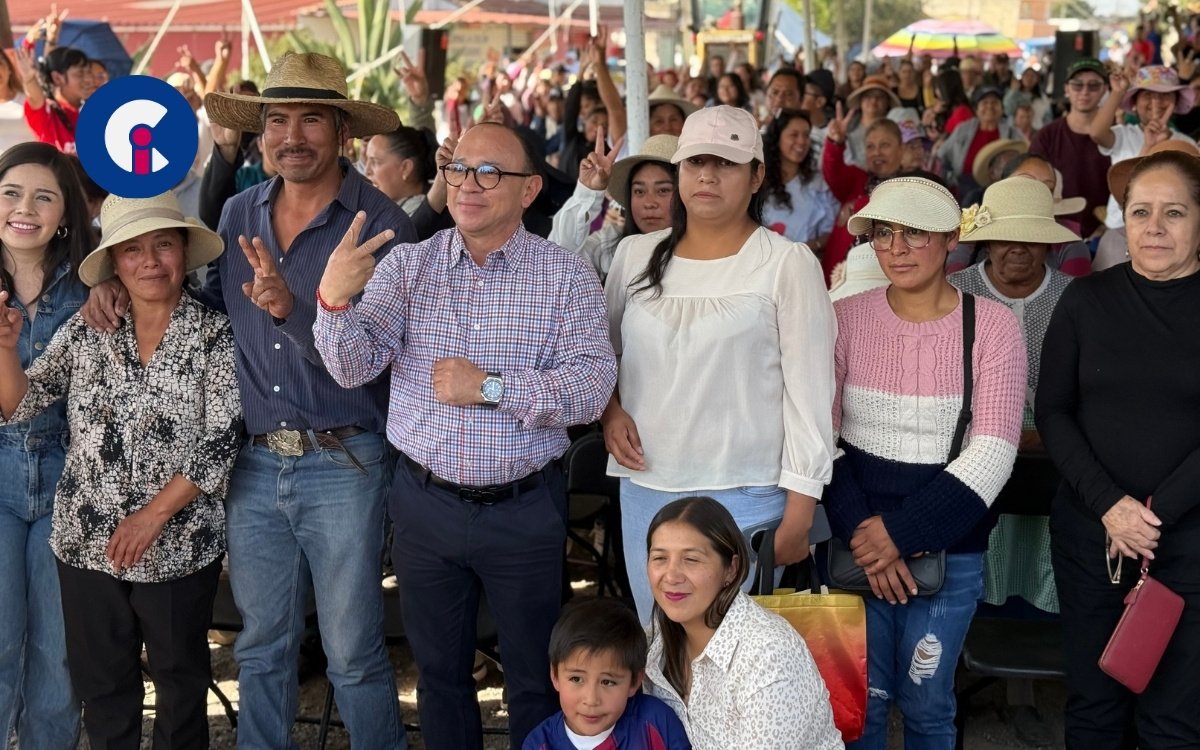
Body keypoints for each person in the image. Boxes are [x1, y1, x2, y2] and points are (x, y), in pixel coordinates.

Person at [75, 52, 417, 748]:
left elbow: (385, 363)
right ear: (261, 133)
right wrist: (111, 281)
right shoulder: (237, 213)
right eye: (278, 120)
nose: (292, 135)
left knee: (352, 655)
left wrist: (297, 309)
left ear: (343, 131)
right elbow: (202, 309)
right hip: (255, 466)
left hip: (345, 461)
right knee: (260, 648)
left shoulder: (382, 226)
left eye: (311, 119)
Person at [312, 120, 617, 748]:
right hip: (426, 506)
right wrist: (334, 302)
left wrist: (493, 387)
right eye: (458, 169)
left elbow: (590, 388)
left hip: (525, 507)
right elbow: (352, 367)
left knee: (536, 678)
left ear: (530, 189)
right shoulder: (410, 267)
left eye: (489, 172)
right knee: (441, 676)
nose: (468, 184)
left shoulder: (565, 278)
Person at [0, 191, 242, 750]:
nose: (150, 261)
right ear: (114, 264)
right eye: (132, 250)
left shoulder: (213, 335)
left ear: (185, 253)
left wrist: (150, 518)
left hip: (180, 546)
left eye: (164, 245)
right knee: (105, 690)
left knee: (182, 687)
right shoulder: (89, 331)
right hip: (86, 544)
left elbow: (220, 440)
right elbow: (21, 403)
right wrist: (6, 350)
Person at [603, 106, 835, 622]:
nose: (707, 176)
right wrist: (610, 411)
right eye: (695, 162)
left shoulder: (786, 263)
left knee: (734, 654)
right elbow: (600, 357)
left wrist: (801, 507)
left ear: (756, 176)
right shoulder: (635, 256)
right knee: (657, 642)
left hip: (746, 492)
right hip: (645, 486)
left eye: (725, 164)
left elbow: (810, 394)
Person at [823, 176, 1026, 748]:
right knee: (858, 702)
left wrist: (898, 533)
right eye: (884, 234)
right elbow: (823, 433)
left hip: (949, 548)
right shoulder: (845, 317)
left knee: (929, 703)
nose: (897, 248)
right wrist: (867, 532)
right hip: (853, 542)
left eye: (915, 233)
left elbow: (993, 451)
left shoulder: (992, 327)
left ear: (951, 237)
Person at [1037, 148, 1200, 748]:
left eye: (1175, 213)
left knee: (1175, 721)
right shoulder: (1085, 300)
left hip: (1188, 547)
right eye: (1140, 211)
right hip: (1092, 540)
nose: (1155, 227)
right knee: (1095, 711)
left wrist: (1151, 518)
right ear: (1122, 219)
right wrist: (1111, 506)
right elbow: (1052, 411)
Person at [0, 142, 93, 750]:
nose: (23, 208)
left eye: (42, 196)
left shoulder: (94, 283)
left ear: (65, 213)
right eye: (10, 193)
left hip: (71, 475)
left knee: (59, 653)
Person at [643, 497, 842, 749]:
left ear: (731, 569)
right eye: (659, 558)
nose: (671, 576)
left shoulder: (768, 653)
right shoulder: (656, 641)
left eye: (691, 560)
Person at [523, 598, 691, 750]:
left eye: (607, 682)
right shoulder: (539, 744)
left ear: (635, 681)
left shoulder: (656, 721)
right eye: (576, 679)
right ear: (555, 675)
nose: (591, 700)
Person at [1090, 65, 1197, 271]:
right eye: (1148, 95)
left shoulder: (1185, 144)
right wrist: (1118, 92)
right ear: (1135, 103)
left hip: (1173, 232)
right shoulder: (1124, 134)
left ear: (1175, 102)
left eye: (1164, 96)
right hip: (1121, 229)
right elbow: (1096, 133)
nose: (1156, 102)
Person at [548, 132, 678, 283]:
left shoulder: (703, 253)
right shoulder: (610, 244)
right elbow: (557, 258)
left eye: (663, 190)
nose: (649, 203)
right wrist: (587, 193)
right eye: (639, 191)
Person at [1029, 59, 1112, 238]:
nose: (1085, 92)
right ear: (1066, 89)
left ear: (1105, 90)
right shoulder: (1047, 136)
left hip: (1108, 232)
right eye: (1077, 85)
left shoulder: (1116, 136)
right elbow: (1031, 188)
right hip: (1056, 233)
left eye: (1094, 86)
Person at [823, 117, 905, 284]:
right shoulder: (856, 179)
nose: (877, 152)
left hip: (880, 280)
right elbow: (833, 171)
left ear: (901, 150)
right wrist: (835, 142)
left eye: (885, 145)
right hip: (837, 278)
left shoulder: (911, 187)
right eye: (870, 147)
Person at [761, 109, 838, 250]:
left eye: (806, 135)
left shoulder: (818, 182)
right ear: (777, 138)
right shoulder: (758, 180)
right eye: (794, 135)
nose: (802, 141)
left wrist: (806, 248)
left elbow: (832, 228)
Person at [936, 86, 1020, 196]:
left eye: (994, 102)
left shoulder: (1011, 132)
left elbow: (1024, 155)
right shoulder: (963, 129)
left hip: (1001, 188)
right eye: (984, 102)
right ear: (976, 109)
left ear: (1002, 109)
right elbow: (942, 154)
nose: (989, 106)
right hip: (965, 187)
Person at [12, 46, 93, 153]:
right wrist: (29, 78)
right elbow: (36, 98)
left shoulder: (92, 114)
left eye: (88, 72)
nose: (89, 79)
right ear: (57, 78)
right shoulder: (47, 113)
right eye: (80, 74)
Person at [365, 125, 438, 217]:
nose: (367, 170)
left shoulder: (417, 216)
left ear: (406, 168)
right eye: (367, 160)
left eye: (375, 162)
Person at [843, 75, 901, 170]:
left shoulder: (897, 131)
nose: (874, 101)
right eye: (868, 96)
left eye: (879, 97)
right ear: (860, 101)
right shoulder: (847, 130)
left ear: (887, 102)